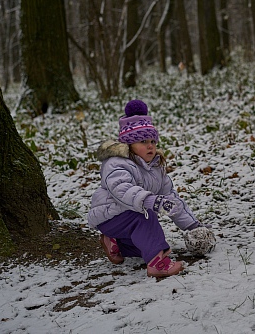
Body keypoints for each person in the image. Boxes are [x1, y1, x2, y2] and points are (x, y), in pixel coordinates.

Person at [88, 99, 206, 278]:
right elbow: (122, 190)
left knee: (144, 243)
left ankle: (116, 244)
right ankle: (157, 265)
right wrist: (150, 201)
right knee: (145, 215)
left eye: (153, 140)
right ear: (129, 145)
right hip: (110, 215)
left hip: (128, 219)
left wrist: (192, 225)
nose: (150, 145)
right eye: (143, 141)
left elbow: (170, 198)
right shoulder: (116, 164)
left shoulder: (156, 168)